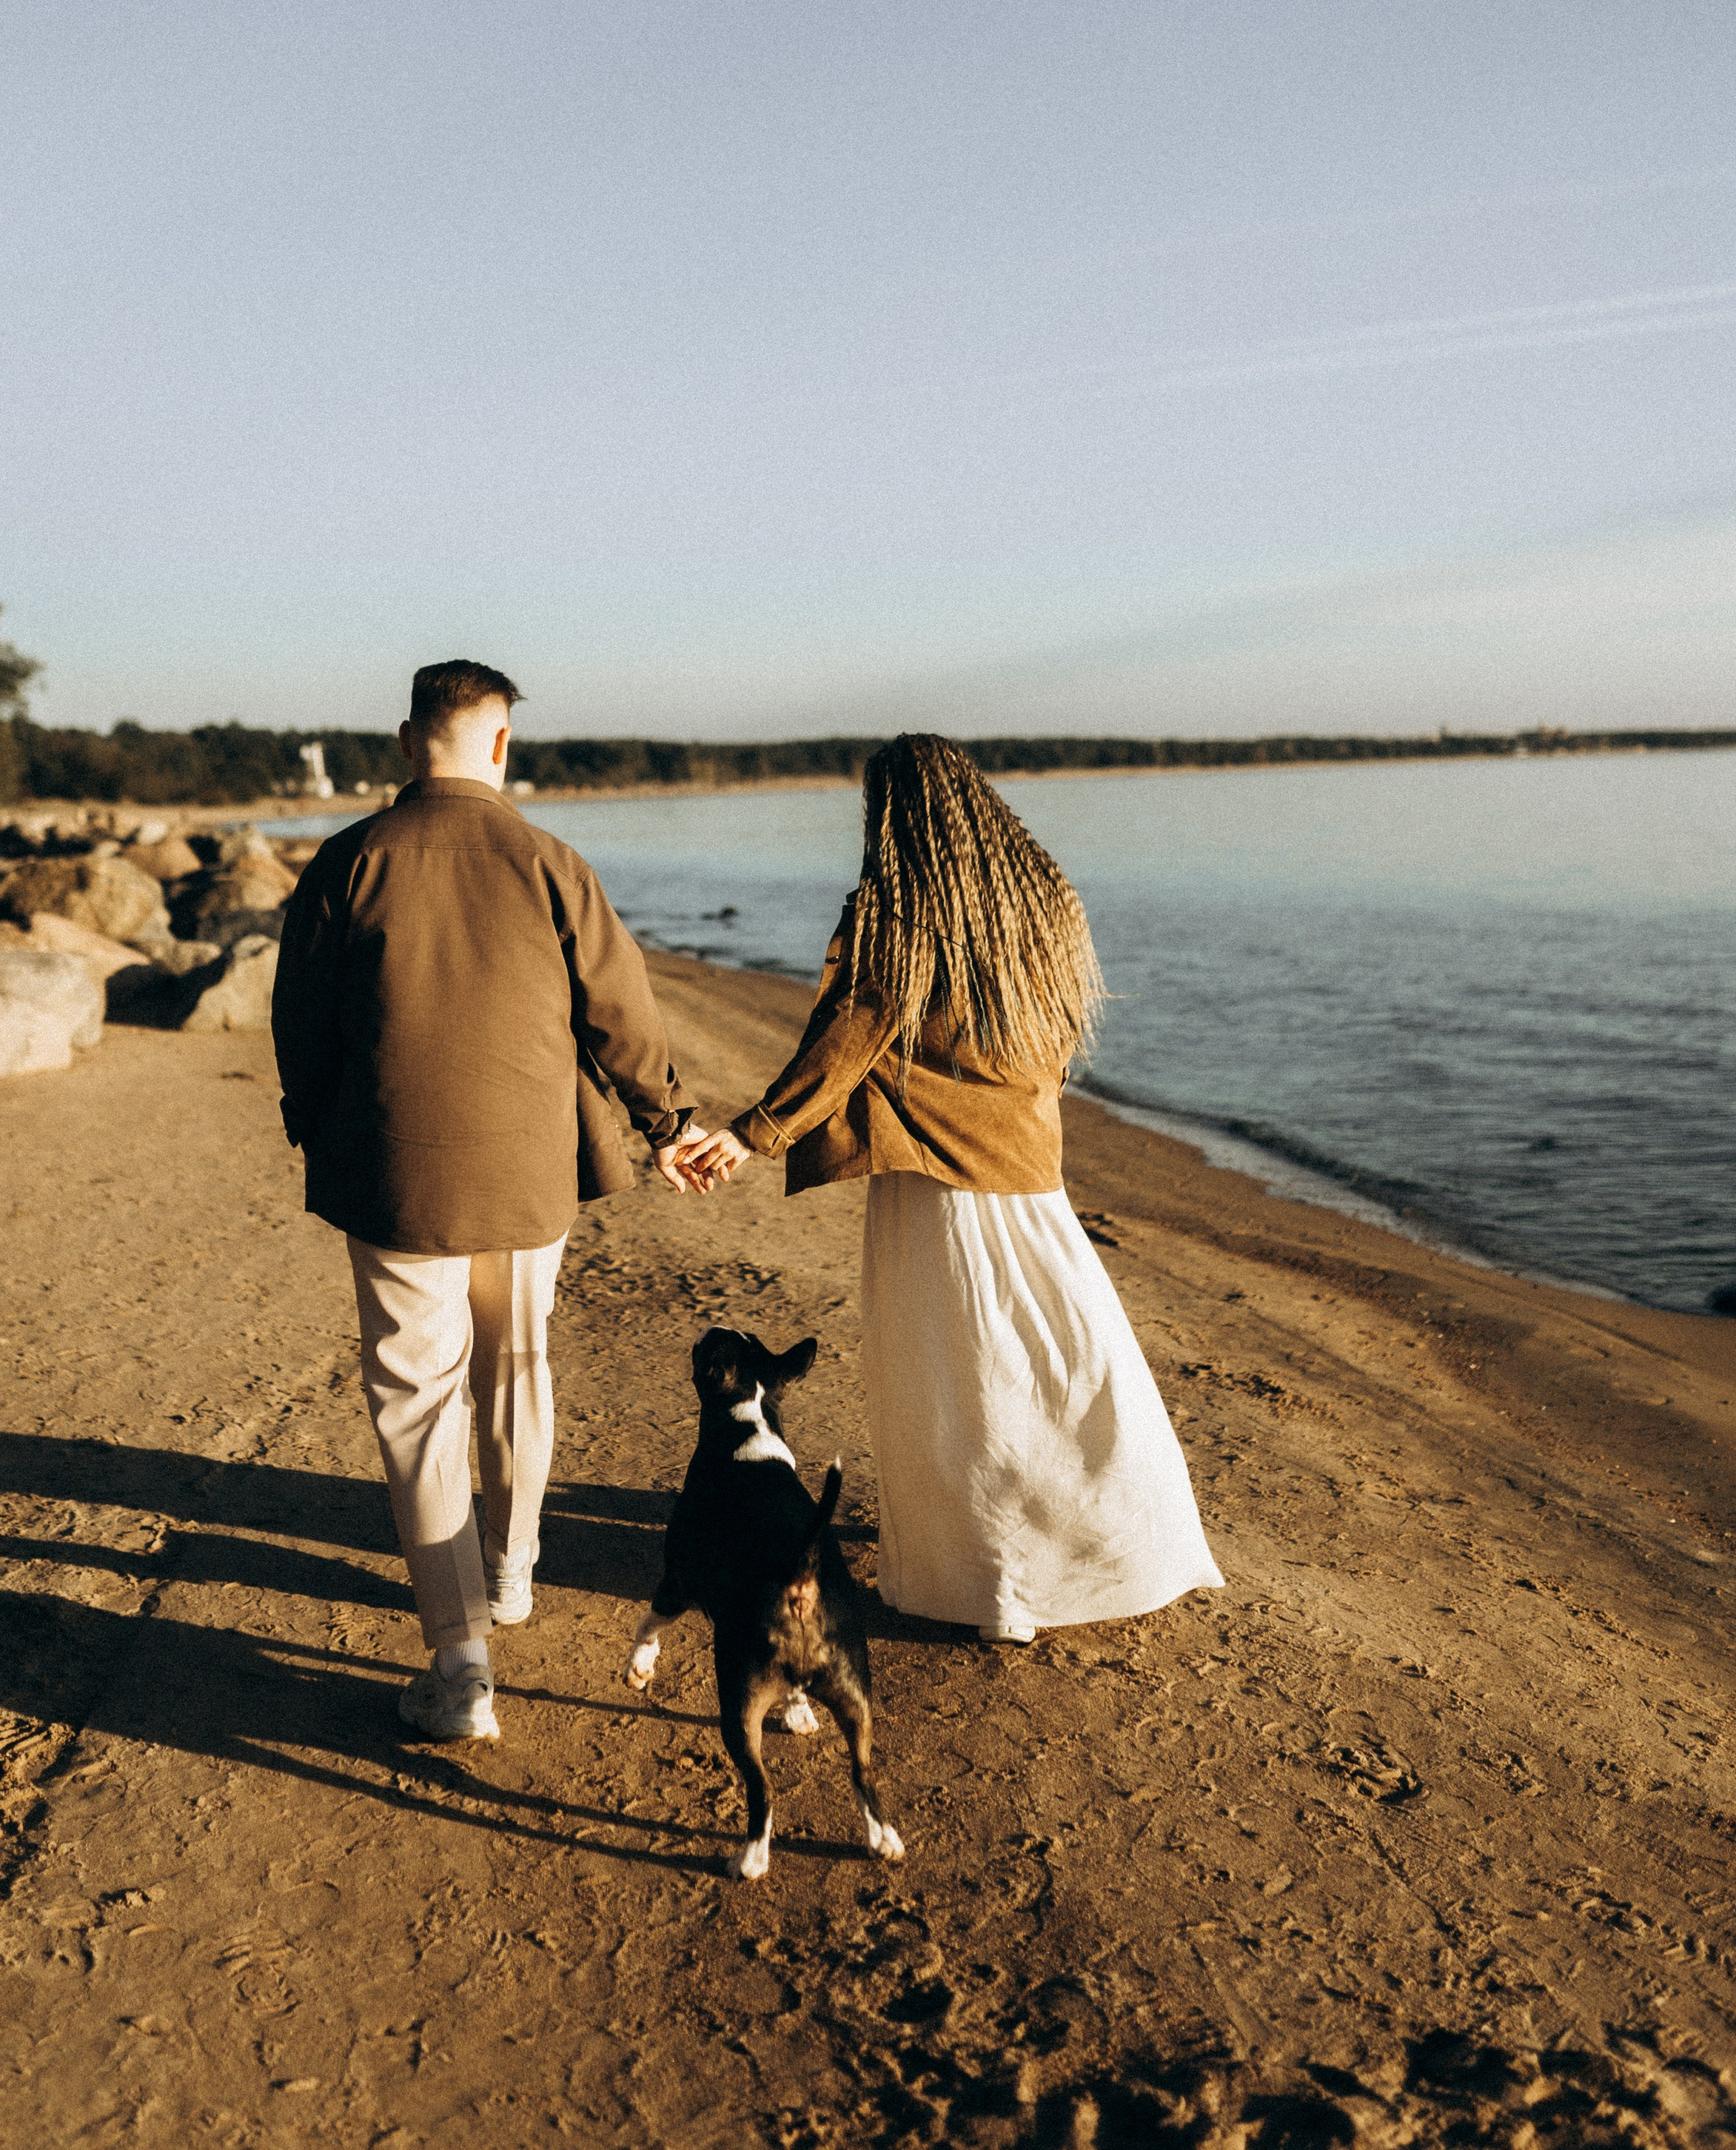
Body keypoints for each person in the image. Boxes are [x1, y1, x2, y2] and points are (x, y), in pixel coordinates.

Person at [683, 733, 1222, 1645]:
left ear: (887, 814)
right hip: (1025, 1172)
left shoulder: (899, 913)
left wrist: (751, 1134)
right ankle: (1121, 1539)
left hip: (935, 1177)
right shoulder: (1042, 898)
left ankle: (990, 1578)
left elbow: (848, 1036)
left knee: (964, 1384)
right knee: (1064, 1367)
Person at [272, 658, 705, 1741]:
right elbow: (622, 1017)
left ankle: (460, 1655)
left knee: (418, 1400)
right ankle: (512, 1572)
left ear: (406, 740)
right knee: (515, 1365)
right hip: (528, 1165)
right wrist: (669, 1126)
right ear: (502, 745)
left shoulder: (348, 859)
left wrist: (318, 1123)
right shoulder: (549, 860)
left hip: (393, 1169)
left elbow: (303, 1023)